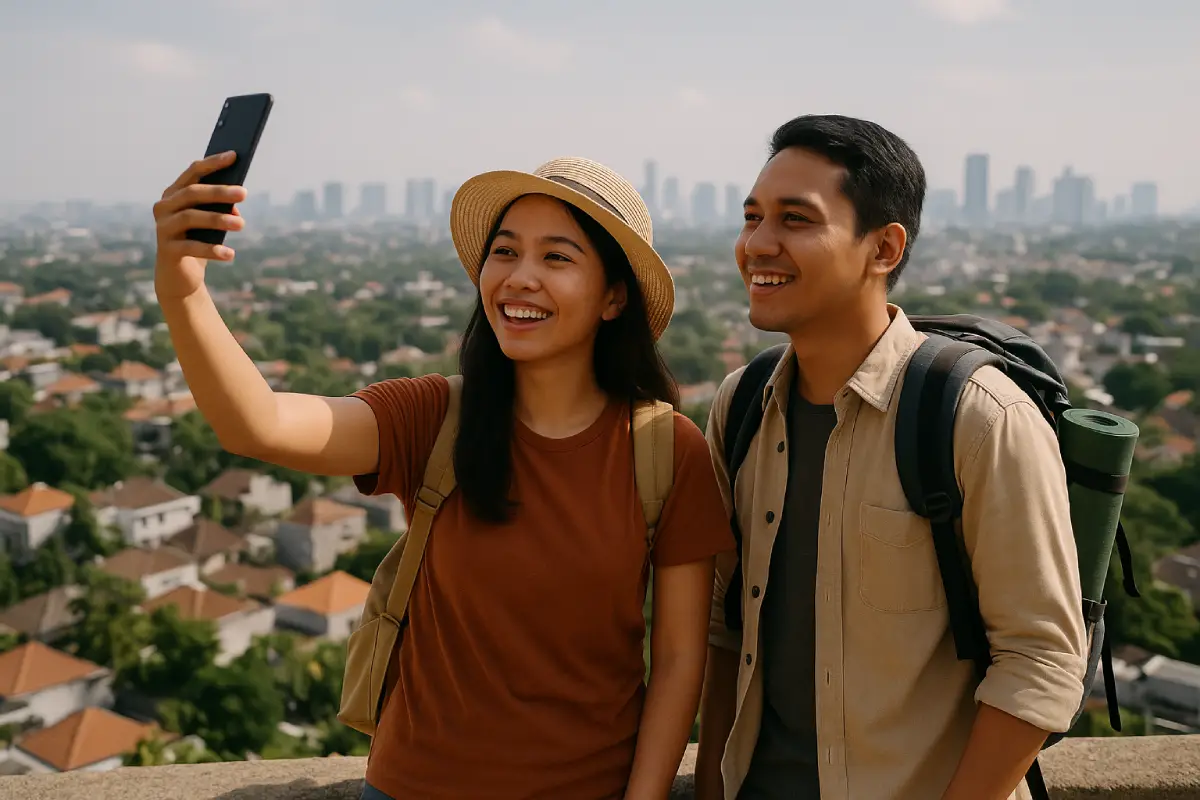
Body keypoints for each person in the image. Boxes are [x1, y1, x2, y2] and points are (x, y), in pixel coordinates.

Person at [152, 153, 736, 799]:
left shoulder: (661, 449)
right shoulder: (433, 417)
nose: (520, 278)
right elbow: (257, 424)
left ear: (614, 296)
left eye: (557, 258)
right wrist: (183, 288)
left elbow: (681, 658)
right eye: (506, 251)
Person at [693, 115, 1088, 800]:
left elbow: (1042, 661)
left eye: (795, 220)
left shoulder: (977, 418)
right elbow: (725, 626)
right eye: (752, 216)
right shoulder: (745, 403)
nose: (758, 243)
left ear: (883, 247)